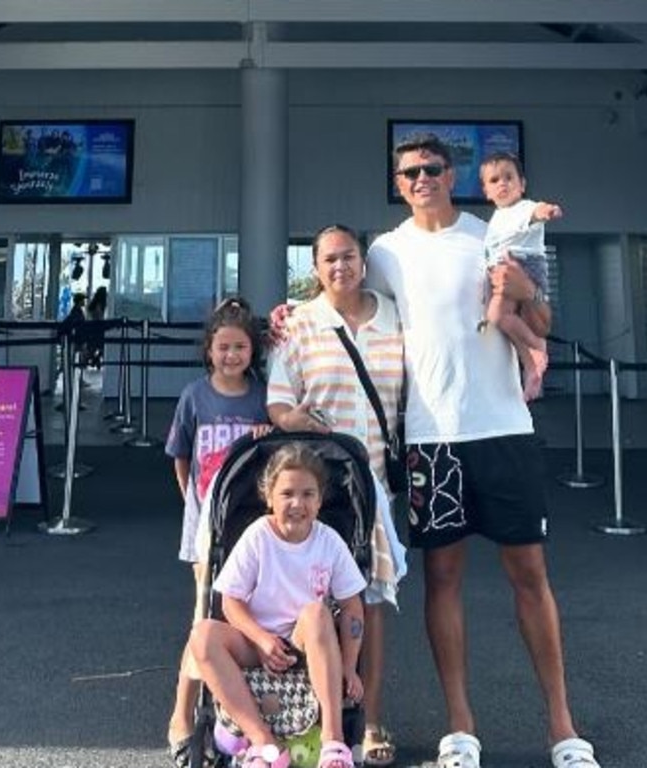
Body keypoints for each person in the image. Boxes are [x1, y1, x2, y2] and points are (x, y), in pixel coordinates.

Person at [365, 133, 600, 768]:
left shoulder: (490, 232)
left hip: (503, 429)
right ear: (397, 181)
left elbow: (543, 322)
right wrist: (287, 318)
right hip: (429, 438)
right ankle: (461, 730)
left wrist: (522, 291)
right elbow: (346, 306)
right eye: (409, 171)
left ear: (453, 174)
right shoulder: (385, 252)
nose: (421, 179)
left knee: (530, 575)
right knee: (442, 578)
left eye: (432, 169)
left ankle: (563, 729)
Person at [266, 223, 407, 767]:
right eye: (328, 259)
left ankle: (369, 718)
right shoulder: (300, 323)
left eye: (348, 256)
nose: (339, 267)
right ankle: (309, 717)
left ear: (363, 261)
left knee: (369, 603)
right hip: (317, 489)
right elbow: (278, 402)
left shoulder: (396, 316)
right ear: (315, 268)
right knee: (308, 602)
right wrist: (294, 418)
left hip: (374, 488)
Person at [189, 443, 365, 768]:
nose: (297, 503)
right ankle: (264, 743)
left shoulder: (328, 542)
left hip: (306, 645)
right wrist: (261, 638)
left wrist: (350, 666)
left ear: (320, 499)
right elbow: (231, 601)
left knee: (315, 613)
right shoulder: (258, 537)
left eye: (307, 494)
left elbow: (353, 609)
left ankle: (333, 742)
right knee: (202, 636)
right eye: (287, 494)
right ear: (269, 497)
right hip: (258, 643)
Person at [165, 297, 272, 768]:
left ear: (253, 351)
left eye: (241, 347)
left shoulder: (262, 395)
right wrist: (195, 503)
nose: (231, 355)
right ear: (208, 350)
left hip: (248, 528)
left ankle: (232, 717)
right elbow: (180, 457)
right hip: (206, 529)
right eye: (223, 347)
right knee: (203, 617)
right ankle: (183, 715)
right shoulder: (194, 396)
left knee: (243, 618)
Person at [478, 151, 563, 401]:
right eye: (494, 180)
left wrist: (547, 210)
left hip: (524, 265)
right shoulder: (497, 217)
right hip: (503, 269)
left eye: (509, 177)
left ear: (522, 184)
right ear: (486, 191)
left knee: (496, 315)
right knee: (495, 317)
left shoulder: (522, 207)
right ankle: (531, 362)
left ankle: (537, 347)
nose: (502, 183)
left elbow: (536, 211)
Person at [84, 286, 108, 368]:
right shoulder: (99, 305)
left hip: (92, 329)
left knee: (93, 347)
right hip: (98, 329)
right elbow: (100, 317)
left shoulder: (93, 304)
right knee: (102, 346)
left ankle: (91, 360)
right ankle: (95, 360)